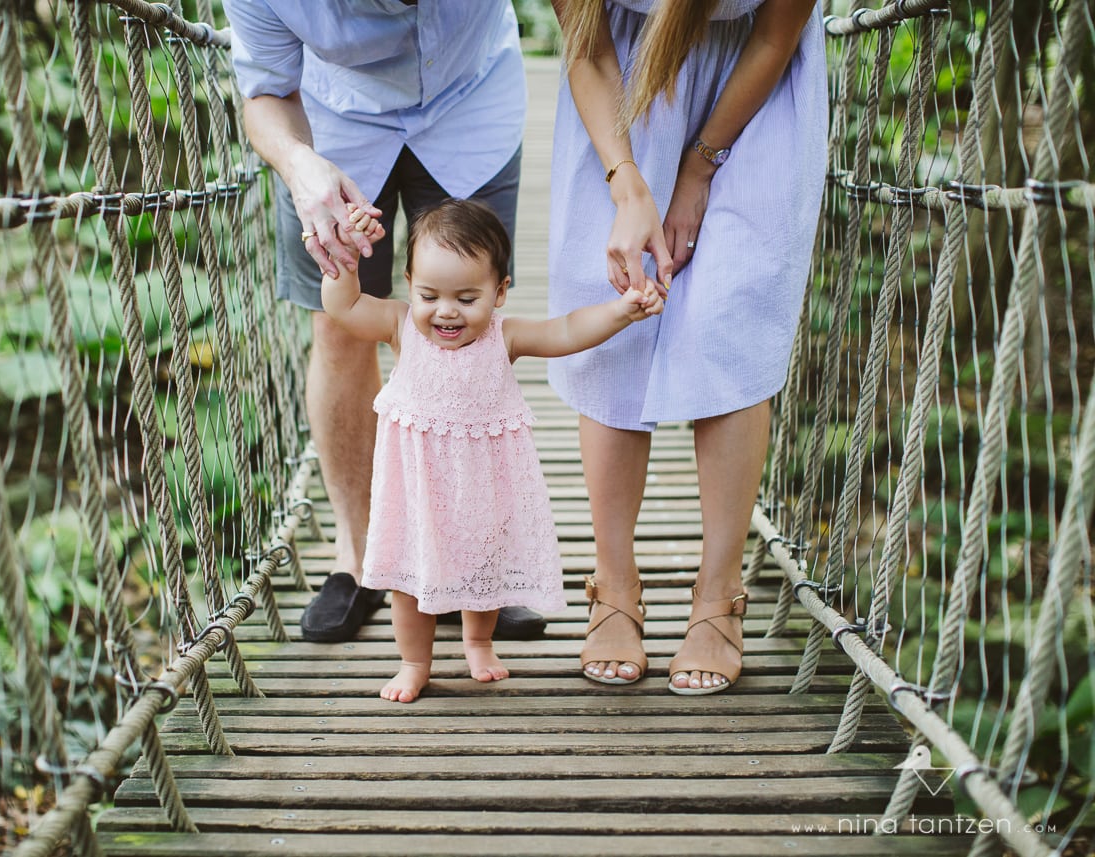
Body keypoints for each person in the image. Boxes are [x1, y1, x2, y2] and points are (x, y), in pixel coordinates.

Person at [222, 0, 548, 642]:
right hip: (331, 123)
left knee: (469, 335)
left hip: (470, 104)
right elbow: (265, 90)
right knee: (339, 327)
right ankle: (363, 556)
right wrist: (296, 163)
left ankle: (475, 569)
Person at [548, 0, 827, 694]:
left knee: (726, 320)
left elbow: (775, 30)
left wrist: (700, 168)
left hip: (754, 84)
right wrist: (627, 181)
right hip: (621, 88)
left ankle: (718, 591)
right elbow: (585, 45)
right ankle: (613, 578)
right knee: (612, 306)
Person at [322, 198, 663, 702]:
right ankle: (415, 662)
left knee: (483, 568)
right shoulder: (399, 327)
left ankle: (478, 642)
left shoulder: (505, 337)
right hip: (417, 490)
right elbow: (344, 307)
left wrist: (620, 312)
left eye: (466, 297)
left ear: (500, 292)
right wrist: (346, 264)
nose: (446, 311)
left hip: (482, 485)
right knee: (408, 581)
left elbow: (566, 331)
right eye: (428, 294)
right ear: (409, 283)